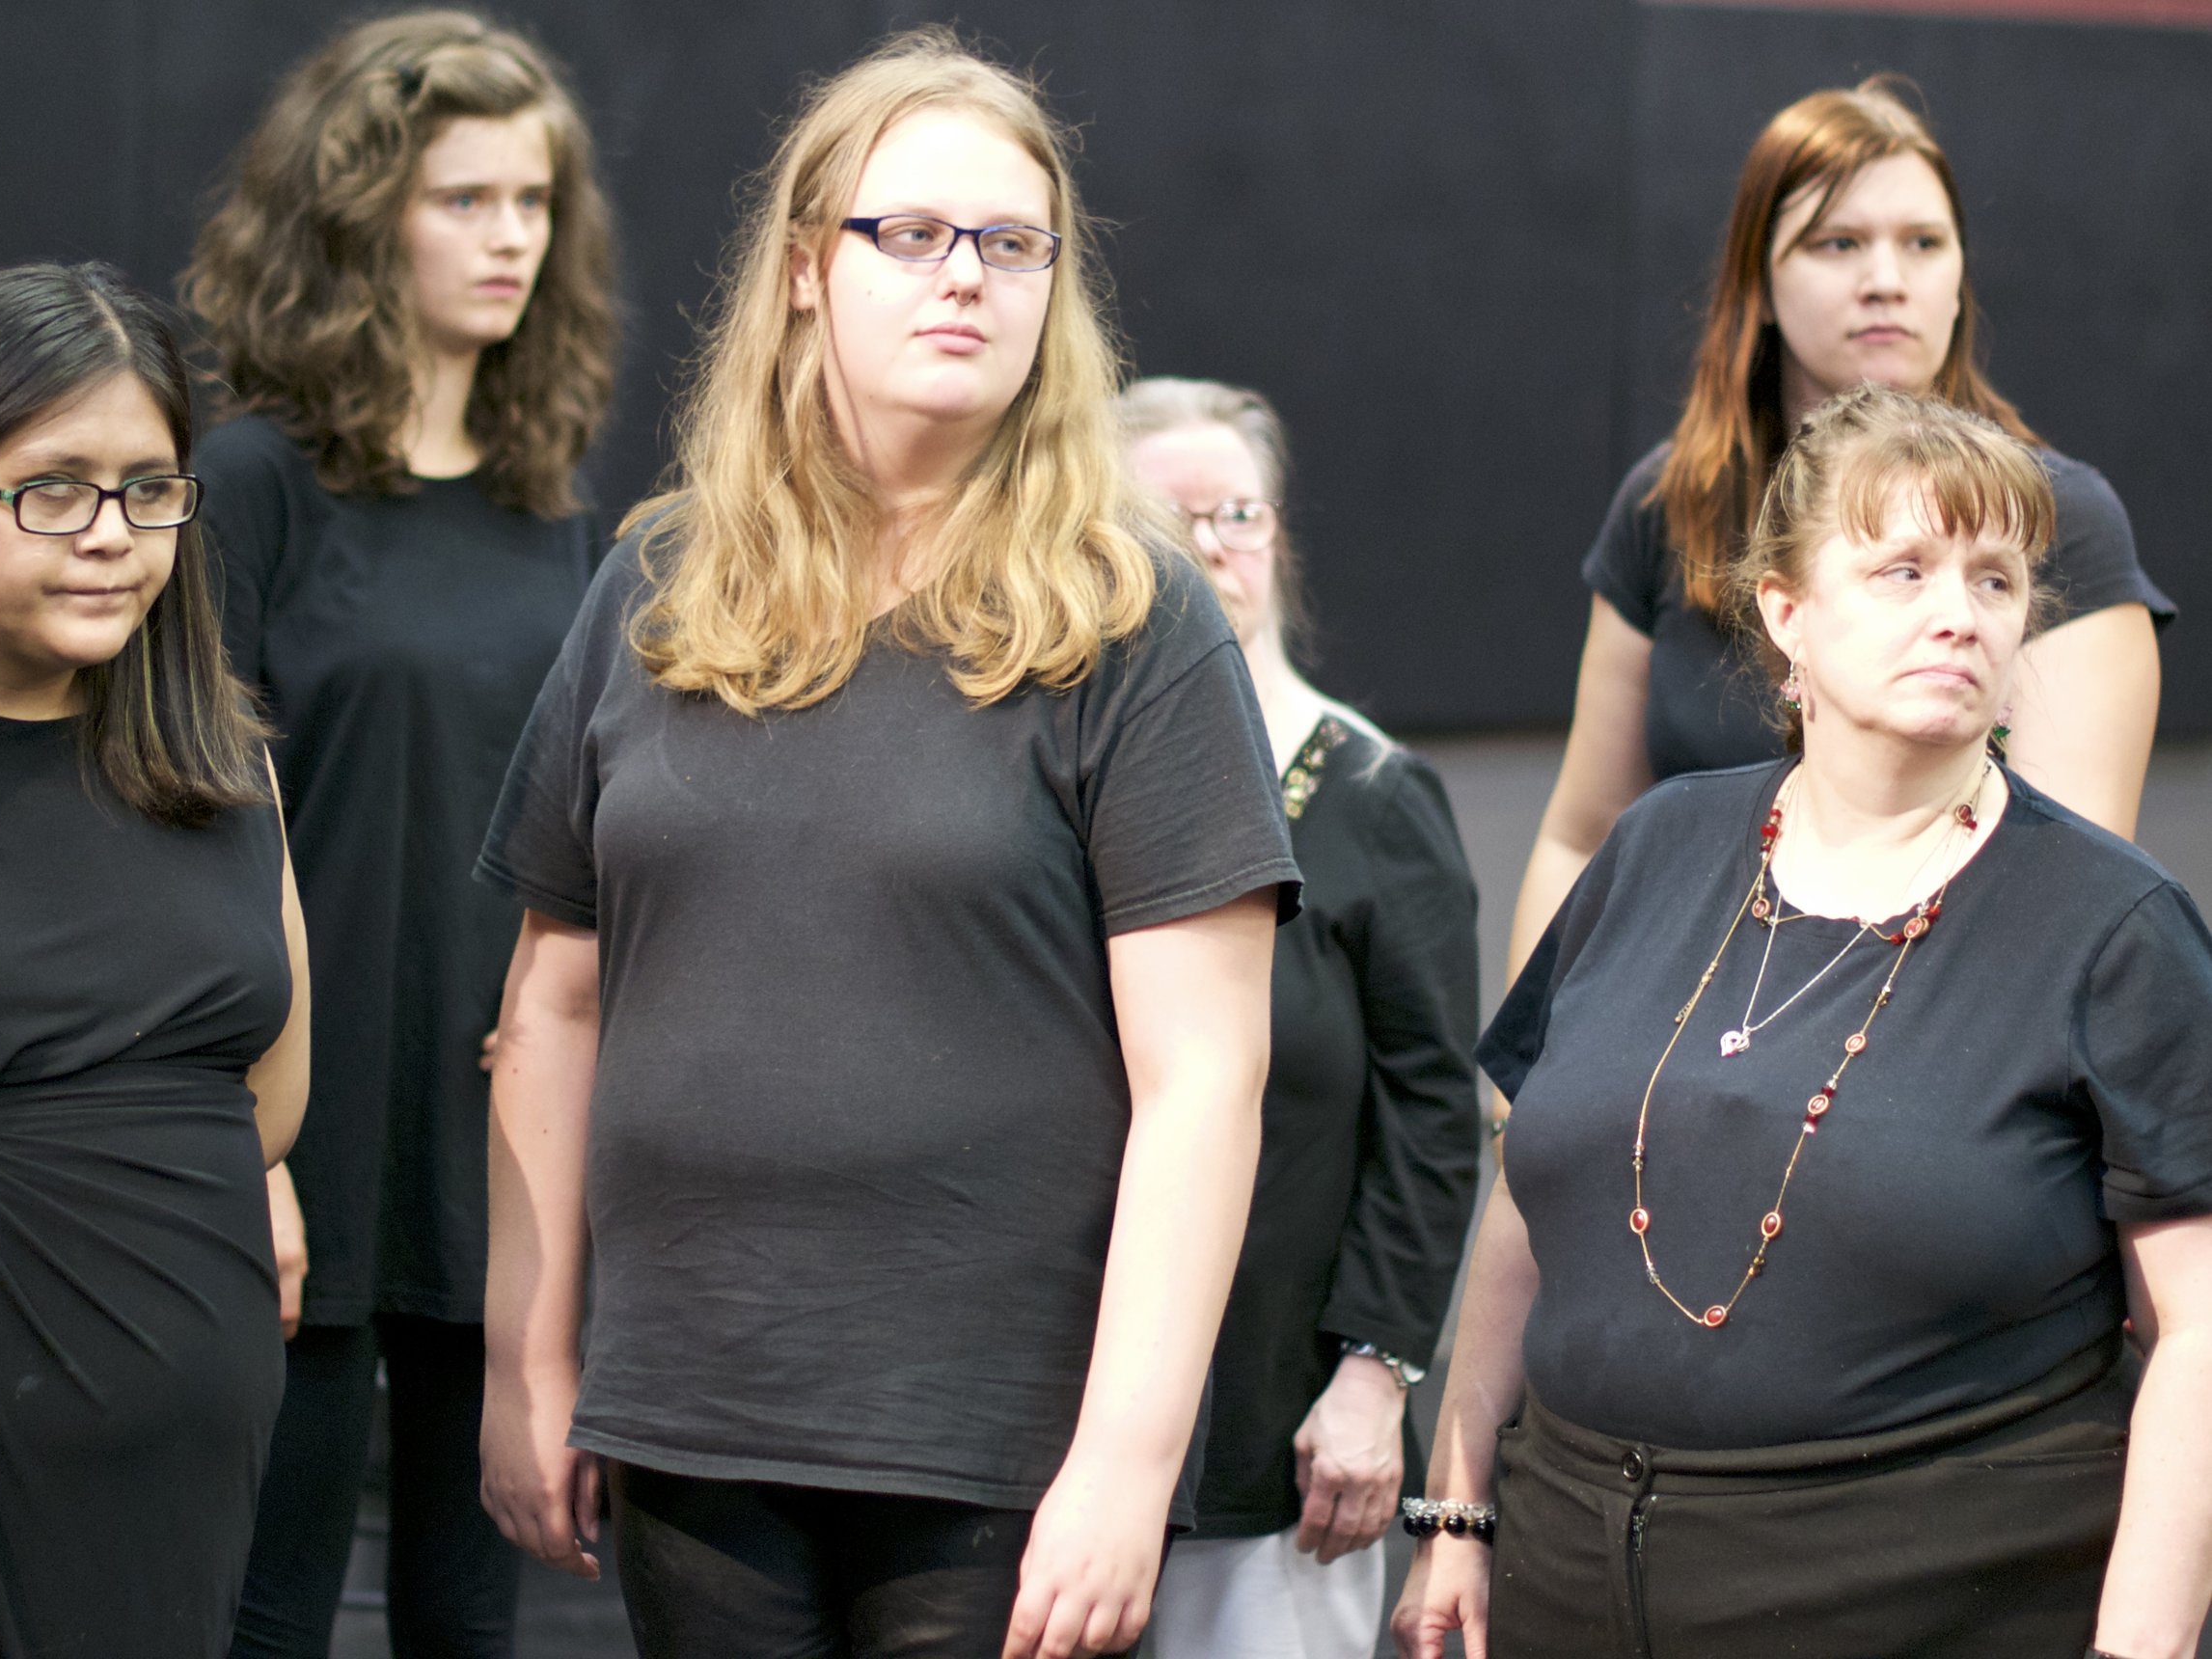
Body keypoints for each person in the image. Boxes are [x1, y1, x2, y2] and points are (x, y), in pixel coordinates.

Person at [475, 29, 1300, 1659]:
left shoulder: (1137, 619)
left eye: (1010, 244)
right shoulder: (654, 589)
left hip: (998, 1449)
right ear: (803, 269)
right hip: (696, 1419)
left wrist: (1128, 1465)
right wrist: (531, 1355)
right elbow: (552, 1010)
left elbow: (1207, 1082)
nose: (965, 279)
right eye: (911, 234)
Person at [1393, 385, 2212, 1659]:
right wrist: (1458, 1510)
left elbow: (2202, 1340)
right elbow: (1530, 1189)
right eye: (1904, 571)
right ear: (1786, 613)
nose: (1960, 613)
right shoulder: (1658, 845)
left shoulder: (2111, 926)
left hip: (1932, 1601)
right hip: (1567, 1584)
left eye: (1997, 582)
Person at [182, 11, 619, 1654]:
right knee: (261, 1601)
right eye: (466, 200)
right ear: (364, 220)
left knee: (471, 1604)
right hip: (297, 1132)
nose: (512, 238)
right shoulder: (248, 486)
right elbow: (190, 826)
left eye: (533, 203)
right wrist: (247, 1142)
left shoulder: (548, 507)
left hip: (494, 1133)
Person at [0, 261, 309, 1658]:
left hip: (169, 1489)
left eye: (151, 489)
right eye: (52, 488)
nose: (110, 535)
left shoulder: (223, 765)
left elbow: (269, 1101)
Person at [1507, 77, 2175, 1042]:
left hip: (1929, 1062)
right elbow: (1578, 837)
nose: (1886, 280)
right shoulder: (1675, 502)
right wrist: (1530, 1099)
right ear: (1759, 282)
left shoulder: (2056, 516)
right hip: (1664, 1051)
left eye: (1922, 243)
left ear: (1957, 280)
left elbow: (2060, 900)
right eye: (1837, 243)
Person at [1119, 376, 1482, 1657]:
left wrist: (1374, 1380)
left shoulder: (1374, 792)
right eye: (1173, 524)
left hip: (1282, 1440)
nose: (1214, 549)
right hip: (1052, 1436)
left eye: (1241, 515)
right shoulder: (1054, 790)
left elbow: (1434, 1116)